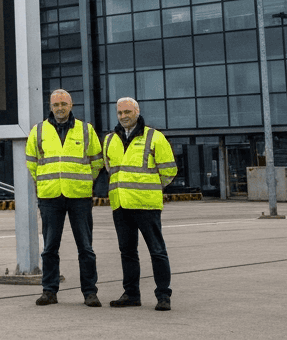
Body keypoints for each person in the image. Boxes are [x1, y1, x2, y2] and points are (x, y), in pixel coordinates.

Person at [26, 88, 103, 307]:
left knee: (85, 247)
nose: (60, 108)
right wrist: (45, 182)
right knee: (50, 247)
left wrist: (84, 181)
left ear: (71, 106)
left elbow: (96, 161)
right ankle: (49, 291)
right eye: (56, 105)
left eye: (64, 104)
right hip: (50, 196)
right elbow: (32, 162)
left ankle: (90, 292)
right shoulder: (38, 131)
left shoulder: (85, 130)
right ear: (50, 107)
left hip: (79, 196)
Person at [104, 97, 178, 311]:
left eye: (127, 112)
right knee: (127, 252)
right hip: (120, 205)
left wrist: (151, 187)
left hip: (146, 205)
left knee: (157, 251)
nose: (123, 116)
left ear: (137, 112)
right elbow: (110, 169)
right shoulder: (109, 140)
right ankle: (131, 294)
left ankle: (163, 295)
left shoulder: (154, 137)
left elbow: (169, 171)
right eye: (120, 113)